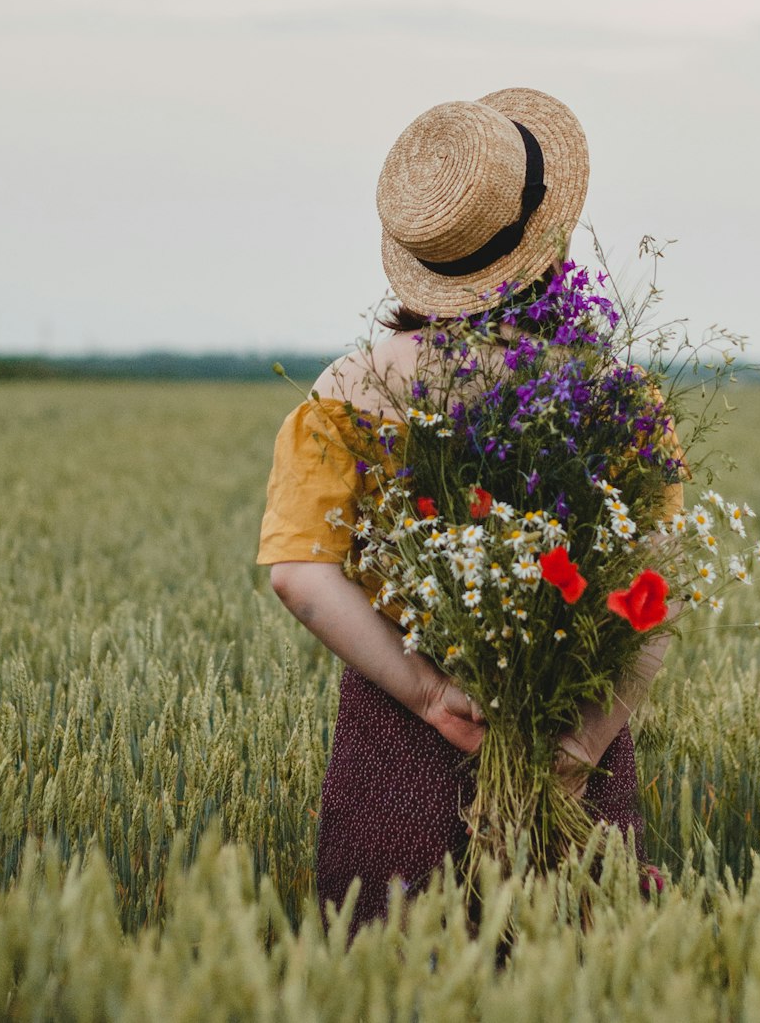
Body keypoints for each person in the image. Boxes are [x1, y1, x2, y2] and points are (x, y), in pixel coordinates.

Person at [258, 88, 680, 932]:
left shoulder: (349, 391)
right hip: (577, 723)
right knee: (583, 970)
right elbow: (657, 595)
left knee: (394, 967)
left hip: (399, 738)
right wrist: (577, 751)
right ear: (547, 237)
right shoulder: (615, 396)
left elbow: (300, 578)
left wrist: (428, 694)